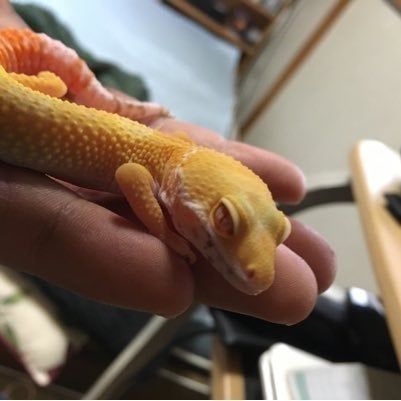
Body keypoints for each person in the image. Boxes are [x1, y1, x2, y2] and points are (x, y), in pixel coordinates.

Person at [0, 1, 335, 324]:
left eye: (278, 231)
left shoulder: (176, 156)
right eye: (225, 219)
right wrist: (162, 229)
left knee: (54, 86)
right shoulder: (160, 164)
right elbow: (130, 175)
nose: (254, 268)